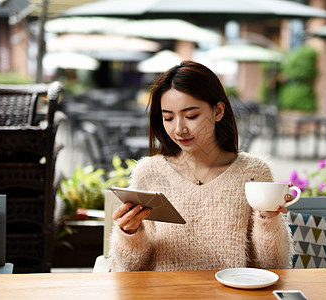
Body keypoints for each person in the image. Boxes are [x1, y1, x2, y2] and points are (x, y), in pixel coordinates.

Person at [109, 61, 293, 272]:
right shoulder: (149, 173)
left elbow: (273, 266)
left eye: (191, 116)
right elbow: (129, 270)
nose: (179, 129)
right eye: (168, 117)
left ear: (218, 111)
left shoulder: (253, 172)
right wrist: (130, 233)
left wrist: (269, 219)